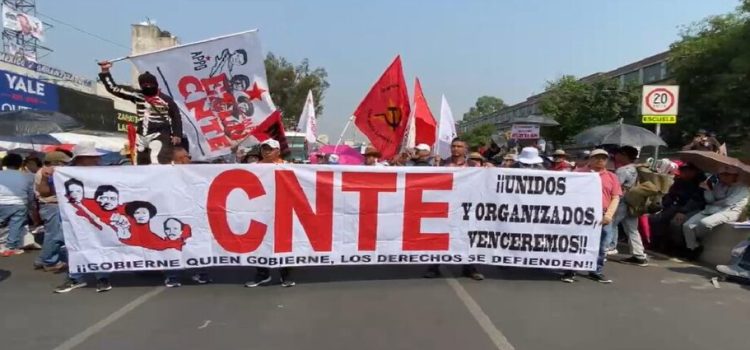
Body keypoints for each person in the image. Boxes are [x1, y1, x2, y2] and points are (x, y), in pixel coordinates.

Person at [53, 142, 113, 293]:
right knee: (73, 244)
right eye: (91, 158)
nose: (96, 160)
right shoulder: (64, 173)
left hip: (95, 215)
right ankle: (76, 277)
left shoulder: (104, 172)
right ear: (81, 159)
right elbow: (48, 188)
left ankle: (102, 277)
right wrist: (48, 175)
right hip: (72, 215)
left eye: (95, 157)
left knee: (99, 243)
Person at [98, 61, 182, 165]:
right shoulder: (137, 96)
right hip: (141, 136)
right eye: (145, 85)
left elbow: (176, 116)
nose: (148, 87)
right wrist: (105, 71)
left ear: (156, 84)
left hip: (160, 134)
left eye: (150, 84)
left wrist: (177, 134)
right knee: (141, 164)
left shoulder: (166, 100)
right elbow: (114, 89)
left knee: (158, 162)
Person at [424, 138, 484, 281]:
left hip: (466, 208)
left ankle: (469, 268)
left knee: (466, 238)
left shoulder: (473, 166)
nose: (456, 149)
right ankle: (434, 267)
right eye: (454, 146)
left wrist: (489, 169)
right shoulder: (442, 164)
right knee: (440, 237)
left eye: (459, 146)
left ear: (465, 149)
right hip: (445, 207)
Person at [561, 149, 621, 283]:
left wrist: (609, 215)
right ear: (590, 159)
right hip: (580, 215)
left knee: (600, 245)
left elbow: (615, 197)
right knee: (575, 243)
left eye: (603, 158)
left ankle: (596, 271)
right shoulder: (578, 174)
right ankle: (570, 270)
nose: (600, 160)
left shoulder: (611, 177)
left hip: (603, 215)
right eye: (597, 157)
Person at [245, 139, 295, 288]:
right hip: (260, 211)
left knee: (285, 243)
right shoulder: (254, 167)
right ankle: (262, 274)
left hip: (283, 210)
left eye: (270, 149)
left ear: (278, 151)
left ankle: (285, 275)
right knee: (260, 242)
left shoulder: (288, 167)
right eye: (264, 149)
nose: (266, 152)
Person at [682, 165, 749, 259]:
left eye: (728, 174)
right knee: (687, 226)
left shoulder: (743, 188)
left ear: (735, 175)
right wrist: (707, 190)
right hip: (711, 209)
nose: (724, 177)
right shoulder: (718, 186)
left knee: (705, 223)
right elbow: (710, 200)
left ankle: (695, 238)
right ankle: (693, 248)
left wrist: (716, 202)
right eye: (722, 174)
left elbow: (729, 202)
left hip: (729, 212)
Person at [649, 163, 706, 253]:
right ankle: (658, 242)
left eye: (685, 170)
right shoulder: (679, 181)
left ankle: (680, 247)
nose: (682, 172)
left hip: (693, 208)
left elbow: (696, 200)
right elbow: (671, 195)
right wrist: (663, 204)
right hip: (676, 206)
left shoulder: (701, 184)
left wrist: (683, 211)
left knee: (676, 223)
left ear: (693, 171)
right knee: (656, 218)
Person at [609, 146, 649, 266]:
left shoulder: (622, 170)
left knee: (610, 223)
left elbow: (615, 187)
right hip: (632, 202)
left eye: (618, 153)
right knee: (632, 229)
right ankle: (639, 255)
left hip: (621, 202)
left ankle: (607, 248)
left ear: (624, 155)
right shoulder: (635, 169)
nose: (615, 156)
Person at [32, 151, 72, 272]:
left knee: (53, 234)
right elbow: (44, 192)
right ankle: (49, 261)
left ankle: (43, 259)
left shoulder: (47, 171)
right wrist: (46, 178)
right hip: (51, 206)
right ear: (57, 162)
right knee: (55, 235)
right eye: (64, 163)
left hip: (51, 206)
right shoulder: (46, 173)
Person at [0, 153, 33, 257]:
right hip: (20, 203)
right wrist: (30, 203)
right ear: (20, 164)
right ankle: (10, 247)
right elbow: (30, 192)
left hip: (1, 202)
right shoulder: (27, 176)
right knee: (15, 225)